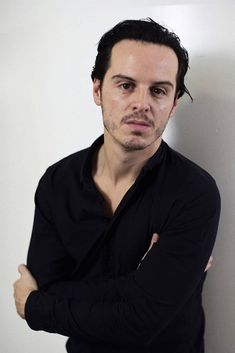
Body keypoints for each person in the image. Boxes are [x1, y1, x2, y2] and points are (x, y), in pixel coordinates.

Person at [13, 18, 220, 353]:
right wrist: (138, 286)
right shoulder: (57, 181)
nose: (142, 103)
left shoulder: (194, 194)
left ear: (173, 104)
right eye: (126, 85)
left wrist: (37, 307)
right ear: (97, 90)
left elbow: (140, 322)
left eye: (158, 90)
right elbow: (50, 286)